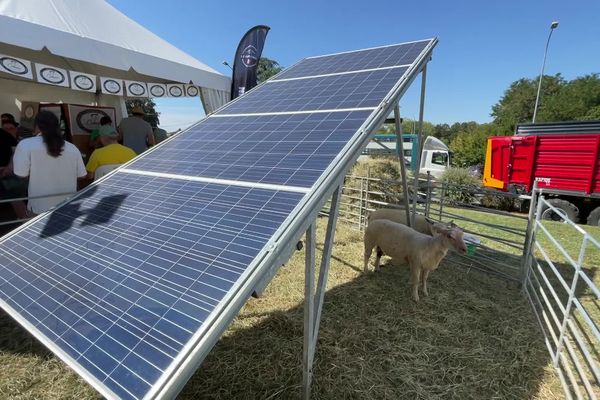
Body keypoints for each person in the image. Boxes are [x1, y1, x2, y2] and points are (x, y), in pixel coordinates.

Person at [13, 111, 86, 215]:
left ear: (37, 126)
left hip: (39, 207)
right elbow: (82, 175)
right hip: (68, 205)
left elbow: (21, 174)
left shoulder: (26, 145)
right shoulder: (72, 148)